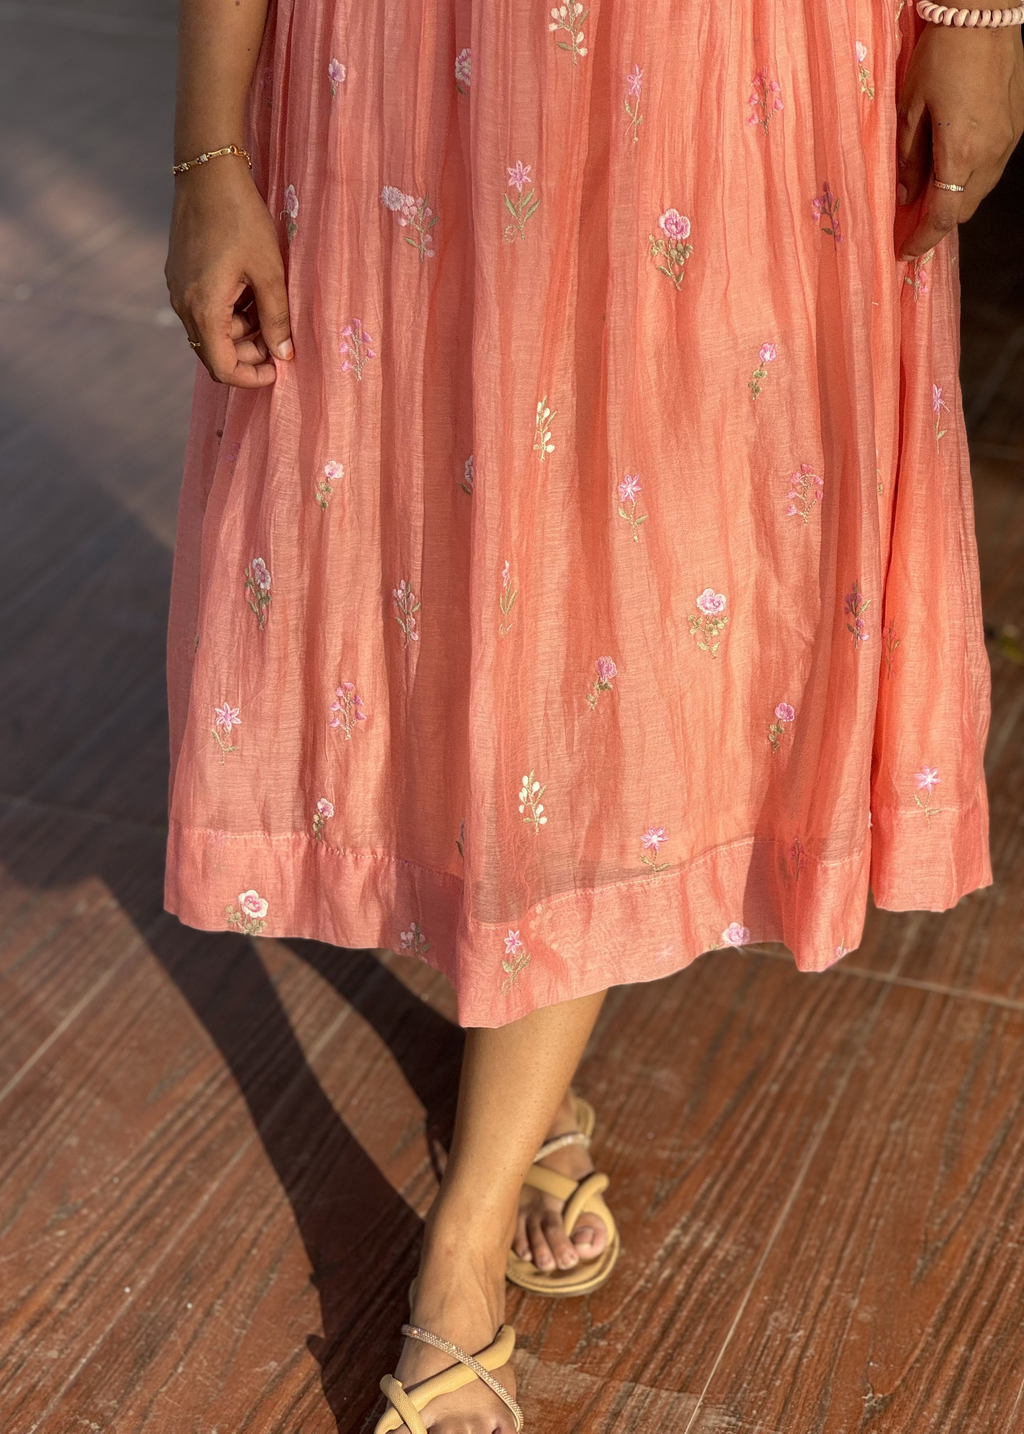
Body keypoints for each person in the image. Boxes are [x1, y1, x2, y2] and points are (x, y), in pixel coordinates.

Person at [165, 1, 1022, 1428]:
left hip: (719, 61)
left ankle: (463, 1251)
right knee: (439, 539)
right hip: (411, 57)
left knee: (626, 586)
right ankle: (522, 1012)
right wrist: (208, 152)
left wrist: (981, 16)